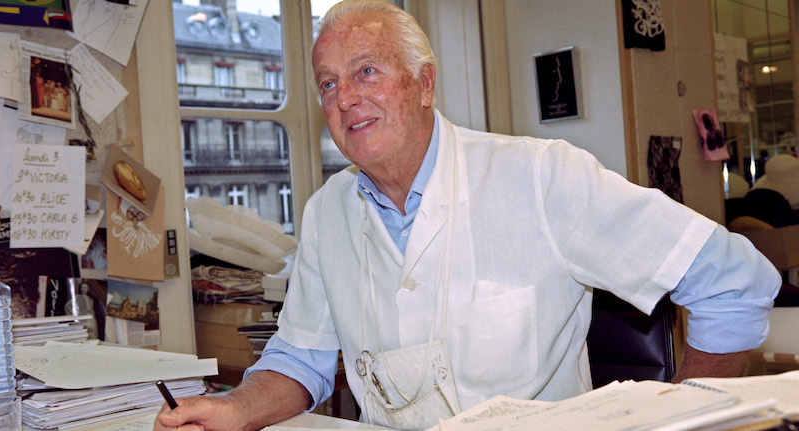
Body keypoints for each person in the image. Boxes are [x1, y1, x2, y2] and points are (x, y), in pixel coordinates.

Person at [154, 1, 781, 430]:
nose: (344, 99)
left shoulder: (541, 176)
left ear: (423, 83)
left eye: (365, 72)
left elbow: (735, 282)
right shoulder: (325, 216)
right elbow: (302, 360)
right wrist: (235, 408)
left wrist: (690, 416)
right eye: (326, 84)